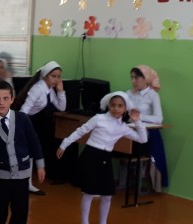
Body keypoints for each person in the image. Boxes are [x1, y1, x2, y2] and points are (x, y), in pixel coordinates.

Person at [57, 91, 148, 224]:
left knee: (107, 195)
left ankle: (103, 222)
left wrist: (137, 121)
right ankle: (84, 222)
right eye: (113, 105)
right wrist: (64, 144)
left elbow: (142, 139)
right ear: (108, 105)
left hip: (105, 159)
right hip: (91, 156)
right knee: (89, 193)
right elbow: (81, 131)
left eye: (120, 106)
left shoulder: (123, 127)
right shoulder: (99, 118)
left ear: (125, 108)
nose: (116, 108)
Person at [0, 80, 45, 224]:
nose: (1, 102)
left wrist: (40, 165)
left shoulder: (23, 119)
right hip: (0, 177)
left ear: (12, 99)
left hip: (22, 176)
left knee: (20, 212)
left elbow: (34, 142)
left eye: (5, 98)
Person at [15, 60, 66, 194]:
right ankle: (21, 182)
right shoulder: (38, 88)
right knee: (25, 154)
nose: (56, 80)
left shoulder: (50, 90)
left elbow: (61, 107)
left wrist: (60, 91)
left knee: (31, 153)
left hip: (36, 123)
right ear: (45, 76)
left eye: (58, 77)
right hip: (26, 122)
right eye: (53, 76)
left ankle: (27, 184)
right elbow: (25, 109)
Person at [126, 65, 167, 191]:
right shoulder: (129, 93)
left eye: (136, 78)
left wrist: (139, 117)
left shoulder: (152, 95)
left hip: (143, 136)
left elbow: (159, 119)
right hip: (128, 131)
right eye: (132, 78)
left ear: (146, 79)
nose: (133, 81)